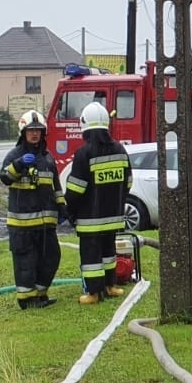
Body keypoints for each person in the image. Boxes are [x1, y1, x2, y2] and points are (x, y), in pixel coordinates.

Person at [62, 101, 132, 304]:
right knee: (109, 252)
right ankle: (110, 286)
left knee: (91, 256)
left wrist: (69, 210)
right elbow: (128, 182)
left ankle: (93, 293)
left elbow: (76, 189)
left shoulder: (84, 153)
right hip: (113, 216)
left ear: (84, 125)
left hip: (90, 219)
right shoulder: (120, 149)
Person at [0, 110, 64, 309]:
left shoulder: (47, 158)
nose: (35, 134)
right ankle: (27, 299)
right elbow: (5, 178)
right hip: (22, 224)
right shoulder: (14, 155)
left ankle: (40, 294)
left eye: (38, 130)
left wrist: (62, 206)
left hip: (45, 224)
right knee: (26, 262)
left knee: (51, 257)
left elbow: (56, 185)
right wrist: (18, 165)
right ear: (23, 132)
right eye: (30, 130)